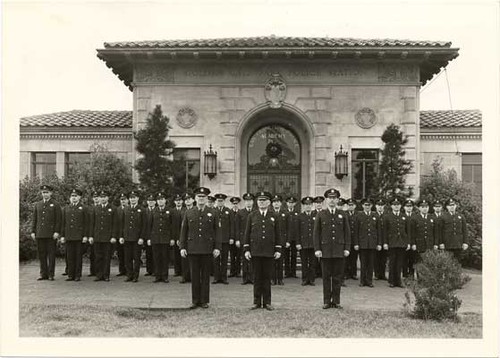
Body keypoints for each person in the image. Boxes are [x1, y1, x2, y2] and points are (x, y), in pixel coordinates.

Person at [180, 187, 221, 309]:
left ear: (207, 198)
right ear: (195, 199)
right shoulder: (189, 212)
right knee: (195, 276)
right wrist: (182, 247)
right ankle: (195, 300)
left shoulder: (213, 212)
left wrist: (217, 247)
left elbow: (218, 231)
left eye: (203, 197)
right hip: (192, 249)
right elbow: (184, 231)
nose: (201, 199)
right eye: (199, 197)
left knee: (205, 276)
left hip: (207, 249)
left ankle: (204, 300)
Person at [243, 191, 282, 311]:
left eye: (264, 200)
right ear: (257, 202)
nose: (262, 202)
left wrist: (278, 249)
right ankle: (256, 302)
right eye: (260, 200)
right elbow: (247, 233)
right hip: (255, 251)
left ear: (269, 202)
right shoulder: (252, 216)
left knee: (267, 277)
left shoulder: (274, 216)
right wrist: (246, 249)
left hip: (269, 251)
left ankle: (267, 302)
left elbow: (278, 234)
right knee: (257, 277)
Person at [313, 188, 350, 309]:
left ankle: (337, 301)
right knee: (326, 277)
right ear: (326, 200)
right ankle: (326, 301)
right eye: (330, 198)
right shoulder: (321, 214)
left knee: (337, 277)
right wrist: (317, 249)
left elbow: (347, 233)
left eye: (334, 198)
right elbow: (316, 233)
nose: (332, 200)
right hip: (325, 251)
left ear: (338, 199)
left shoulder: (343, 214)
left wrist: (347, 248)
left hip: (339, 250)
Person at [30, 184, 62, 281]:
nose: (45, 194)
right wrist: (33, 231)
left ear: (51, 193)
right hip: (40, 233)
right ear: (41, 193)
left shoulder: (55, 204)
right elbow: (35, 219)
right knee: (42, 254)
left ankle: (51, 274)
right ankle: (43, 273)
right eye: (43, 192)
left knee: (51, 255)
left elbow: (58, 220)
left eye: (47, 192)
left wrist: (57, 231)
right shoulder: (38, 204)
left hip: (51, 234)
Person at [60, 188, 89, 282]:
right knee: (70, 256)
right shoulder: (66, 208)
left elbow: (86, 223)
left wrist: (85, 236)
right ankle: (70, 275)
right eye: (72, 196)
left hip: (79, 236)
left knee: (78, 256)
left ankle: (77, 275)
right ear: (69, 197)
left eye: (76, 196)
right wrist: (63, 236)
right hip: (69, 236)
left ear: (79, 197)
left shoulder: (83, 208)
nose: (74, 198)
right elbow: (63, 223)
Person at [88, 190, 117, 282]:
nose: (103, 199)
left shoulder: (113, 208)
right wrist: (91, 236)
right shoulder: (95, 209)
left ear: (108, 198)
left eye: (104, 197)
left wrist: (113, 236)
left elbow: (115, 224)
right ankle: (99, 275)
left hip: (107, 237)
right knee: (98, 257)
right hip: (97, 237)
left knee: (106, 257)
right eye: (101, 197)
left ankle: (106, 275)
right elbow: (92, 223)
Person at [118, 190, 146, 282]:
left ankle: (135, 276)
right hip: (127, 237)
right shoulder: (126, 209)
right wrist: (121, 236)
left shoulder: (141, 209)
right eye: (131, 198)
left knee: (136, 258)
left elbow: (144, 225)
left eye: (134, 197)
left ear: (137, 198)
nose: (132, 199)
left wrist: (142, 237)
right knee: (127, 257)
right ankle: (129, 274)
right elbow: (122, 224)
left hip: (137, 238)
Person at [383, 197, 410, 288]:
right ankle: (391, 281)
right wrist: (385, 243)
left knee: (400, 263)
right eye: (394, 205)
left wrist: (408, 243)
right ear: (391, 206)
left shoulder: (404, 216)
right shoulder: (387, 217)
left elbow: (407, 231)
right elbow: (385, 231)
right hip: (392, 243)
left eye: (398, 205)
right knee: (392, 263)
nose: (396, 206)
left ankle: (398, 281)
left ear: (400, 206)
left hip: (401, 243)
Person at [353, 198, 381, 287]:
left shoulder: (375, 216)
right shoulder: (358, 216)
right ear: (362, 206)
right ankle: (362, 281)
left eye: (369, 205)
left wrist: (379, 243)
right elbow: (356, 231)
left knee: (371, 263)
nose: (367, 207)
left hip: (372, 243)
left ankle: (369, 281)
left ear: (371, 206)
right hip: (362, 243)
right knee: (363, 263)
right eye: (365, 205)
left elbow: (379, 231)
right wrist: (356, 243)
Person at [148, 192, 172, 283]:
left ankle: (165, 276)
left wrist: (172, 238)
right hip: (155, 238)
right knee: (156, 258)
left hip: (165, 238)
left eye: (162, 199)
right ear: (156, 201)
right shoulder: (153, 211)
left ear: (165, 200)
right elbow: (149, 225)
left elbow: (172, 225)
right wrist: (149, 238)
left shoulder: (169, 210)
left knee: (165, 258)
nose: (160, 201)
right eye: (158, 200)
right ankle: (157, 276)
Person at [409, 199, 438, 268]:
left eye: (426, 207)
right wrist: (413, 244)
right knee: (419, 262)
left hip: (429, 244)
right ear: (419, 208)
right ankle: (420, 278)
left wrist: (436, 243)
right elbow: (412, 233)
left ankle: (428, 278)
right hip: (419, 244)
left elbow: (435, 233)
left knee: (429, 262)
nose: (425, 209)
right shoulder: (414, 219)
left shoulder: (433, 218)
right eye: (422, 207)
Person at [439, 198, 468, 262]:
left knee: (457, 262)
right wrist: (441, 243)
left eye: (453, 205)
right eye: (450, 205)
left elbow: (464, 230)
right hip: (447, 244)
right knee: (447, 263)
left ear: (455, 206)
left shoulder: (461, 216)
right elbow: (440, 231)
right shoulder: (443, 217)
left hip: (458, 244)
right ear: (447, 207)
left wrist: (465, 242)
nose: (452, 207)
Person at [213, 193, 232, 284]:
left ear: (224, 201)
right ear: (216, 201)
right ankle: (216, 277)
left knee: (224, 259)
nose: (220, 202)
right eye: (218, 201)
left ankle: (224, 277)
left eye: (222, 201)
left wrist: (231, 237)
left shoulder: (228, 211)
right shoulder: (212, 211)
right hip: (216, 240)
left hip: (225, 239)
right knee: (216, 259)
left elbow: (231, 225)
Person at [297, 196, 316, 286]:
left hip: (313, 244)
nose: (308, 206)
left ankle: (312, 279)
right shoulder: (300, 216)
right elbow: (297, 231)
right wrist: (298, 243)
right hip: (303, 244)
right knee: (304, 263)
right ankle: (304, 279)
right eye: (306, 205)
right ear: (303, 206)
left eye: (309, 205)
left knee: (312, 263)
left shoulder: (316, 216)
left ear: (312, 205)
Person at [270, 194, 288, 286]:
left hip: (282, 240)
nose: (276, 204)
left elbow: (289, 228)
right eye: (274, 202)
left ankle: (280, 279)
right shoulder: (269, 213)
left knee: (281, 261)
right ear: (272, 204)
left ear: (281, 203)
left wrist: (287, 241)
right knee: (272, 261)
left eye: (277, 202)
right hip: (271, 241)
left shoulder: (285, 213)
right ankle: (272, 279)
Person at [238, 193, 255, 285]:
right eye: (247, 201)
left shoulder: (255, 212)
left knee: (252, 259)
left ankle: (252, 277)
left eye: (250, 201)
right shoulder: (240, 213)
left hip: (253, 240)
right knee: (244, 259)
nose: (248, 203)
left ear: (253, 202)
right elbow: (237, 227)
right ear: (244, 202)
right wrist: (237, 239)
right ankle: (245, 278)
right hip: (243, 239)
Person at [85, 190, 100, 277]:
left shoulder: (102, 207)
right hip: (91, 233)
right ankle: (93, 271)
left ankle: (99, 271)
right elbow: (87, 222)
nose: (96, 199)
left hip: (100, 234)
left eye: (97, 197)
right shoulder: (89, 208)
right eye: (95, 197)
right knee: (92, 254)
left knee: (99, 253)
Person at [284, 196, 299, 278]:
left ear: (295, 204)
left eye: (292, 203)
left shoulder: (297, 214)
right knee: (286, 256)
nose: (291, 204)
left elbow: (298, 228)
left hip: (294, 238)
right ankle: (287, 272)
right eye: (289, 203)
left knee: (294, 256)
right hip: (286, 239)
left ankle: (293, 272)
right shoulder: (284, 213)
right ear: (287, 203)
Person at [114, 193, 129, 277]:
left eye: (124, 199)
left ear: (127, 200)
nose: (123, 201)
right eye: (121, 200)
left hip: (127, 234)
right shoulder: (117, 209)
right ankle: (122, 270)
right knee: (120, 253)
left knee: (127, 253)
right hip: (119, 235)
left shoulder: (129, 209)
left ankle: (128, 270)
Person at [344, 198, 359, 281]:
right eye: (349, 205)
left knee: (354, 258)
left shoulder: (358, 214)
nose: (351, 206)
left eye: (352, 205)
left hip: (355, 240)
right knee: (346, 258)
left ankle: (353, 273)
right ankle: (346, 273)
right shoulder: (344, 214)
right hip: (347, 240)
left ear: (355, 206)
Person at [374, 198, 388, 280]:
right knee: (376, 258)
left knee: (384, 258)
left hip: (385, 240)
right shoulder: (373, 215)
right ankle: (376, 274)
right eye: (378, 205)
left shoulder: (386, 215)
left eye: (381, 205)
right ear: (376, 206)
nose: (380, 207)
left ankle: (382, 274)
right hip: (376, 240)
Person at [402, 199, 416, 278]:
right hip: (404, 242)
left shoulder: (415, 216)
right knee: (404, 260)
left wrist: (413, 243)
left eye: (410, 206)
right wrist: (406, 243)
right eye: (407, 206)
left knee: (412, 260)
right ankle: (404, 275)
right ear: (404, 207)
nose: (409, 208)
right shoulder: (401, 216)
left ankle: (411, 275)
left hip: (413, 242)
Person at [143, 194, 156, 277]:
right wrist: (147, 237)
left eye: (152, 201)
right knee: (148, 254)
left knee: (155, 254)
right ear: (147, 202)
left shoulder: (157, 210)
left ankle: (155, 270)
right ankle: (149, 270)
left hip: (155, 235)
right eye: (149, 201)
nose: (150, 202)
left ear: (155, 202)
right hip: (146, 235)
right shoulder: (144, 211)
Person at [171, 193, 184, 277]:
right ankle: (177, 271)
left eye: (179, 200)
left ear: (182, 201)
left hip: (183, 236)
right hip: (175, 236)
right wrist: (173, 238)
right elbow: (171, 225)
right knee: (176, 254)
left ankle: (184, 270)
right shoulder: (172, 211)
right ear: (174, 202)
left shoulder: (185, 210)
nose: (178, 202)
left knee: (183, 254)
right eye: (177, 201)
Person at [228, 196, 241, 278]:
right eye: (233, 203)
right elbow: (229, 226)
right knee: (232, 256)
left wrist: (238, 239)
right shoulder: (229, 213)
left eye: (236, 203)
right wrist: (231, 237)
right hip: (231, 239)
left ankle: (238, 271)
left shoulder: (240, 212)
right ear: (231, 204)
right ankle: (232, 271)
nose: (235, 205)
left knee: (239, 256)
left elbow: (240, 227)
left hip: (239, 238)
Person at [312, 196, 324, 278]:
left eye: (320, 203)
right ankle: (315, 272)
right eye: (317, 203)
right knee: (314, 257)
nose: (318, 204)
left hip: (323, 238)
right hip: (314, 238)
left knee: (323, 256)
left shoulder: (325, 213)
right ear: (314, 204)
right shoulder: (312, 213)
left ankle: (322, 272)